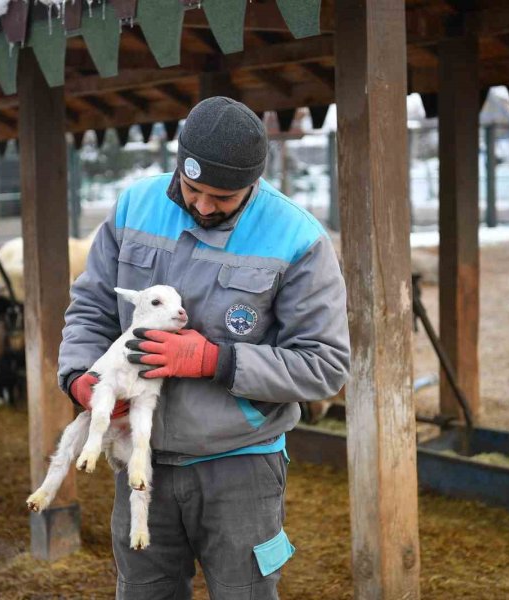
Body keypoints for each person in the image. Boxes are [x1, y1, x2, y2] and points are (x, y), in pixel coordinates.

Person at [58, 96, 350, 599]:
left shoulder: (297, 238)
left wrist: (216, 360)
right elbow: (90, 308)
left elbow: (324, 364)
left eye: (223, 197)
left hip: (239, 463)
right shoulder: (134, 207)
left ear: (253, 182)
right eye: (193, 189)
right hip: (141, 459)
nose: (203, 206)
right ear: (179, 163)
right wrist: (81, 376)